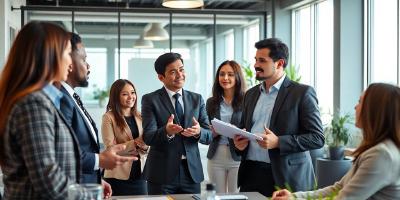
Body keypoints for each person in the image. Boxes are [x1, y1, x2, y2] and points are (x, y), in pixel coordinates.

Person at [272, 83, 400, 200]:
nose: (355, 107)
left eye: (360, 101)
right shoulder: (378, 150)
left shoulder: (382, 155)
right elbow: (338, 188)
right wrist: (295, 197)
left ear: (374, 110)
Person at [233, 38, 325, 197]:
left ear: (280, 63)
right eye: (255, 59)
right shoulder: (251, 94)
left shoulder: (302, 93)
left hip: (285, 177)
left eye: (262, 60)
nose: (255, 65)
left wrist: (278, 142)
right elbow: (244, 129)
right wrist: (239, 144)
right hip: (251, 173)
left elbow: (317, 138)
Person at [0, 21, 80, 199]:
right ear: (49, 56)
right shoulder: (33, 104)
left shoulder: (39, 100)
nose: (71, 63)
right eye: (68, 53)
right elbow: (48, 180)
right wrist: (90, 194)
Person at [60, 33, 136, 198]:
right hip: (71, 191)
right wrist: (100, 160)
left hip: (87, 184)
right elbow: (62, 155)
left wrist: (95, 180)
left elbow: (80, 147)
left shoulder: (72, 97)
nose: (88, 66)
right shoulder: (60, 99)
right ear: (69, 63)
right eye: (84, 59)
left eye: (132, 93)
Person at [141, 52, 213, 195]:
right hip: (161, 173)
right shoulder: (150, 100)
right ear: (161, 77)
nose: (180, 75)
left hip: (191, 173)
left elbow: (209, 135)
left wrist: (199, 132)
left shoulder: (197, 99)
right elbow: (148, 137)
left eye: (181, 69)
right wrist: (166, 132)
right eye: (173, 72)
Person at [101, 79, 148, 195]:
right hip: (117, 176)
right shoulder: (108, 117)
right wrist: (136, 143)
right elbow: (110, 149)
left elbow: (148, 145)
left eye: (133, 93)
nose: (131, 97)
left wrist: (145, 147)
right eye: (125, 94)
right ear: (116, 96)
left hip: (140, 175)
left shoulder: (141, 116)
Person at [206, 60, 246, 193]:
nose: (225, 78)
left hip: (238, 157)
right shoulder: (211, 102)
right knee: (217, 196)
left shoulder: (247, 100)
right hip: (216, 156)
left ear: (238, 77)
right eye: (222, 74)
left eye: (230, 74)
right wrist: (212, 132)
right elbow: (206, 128)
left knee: (236, 195)